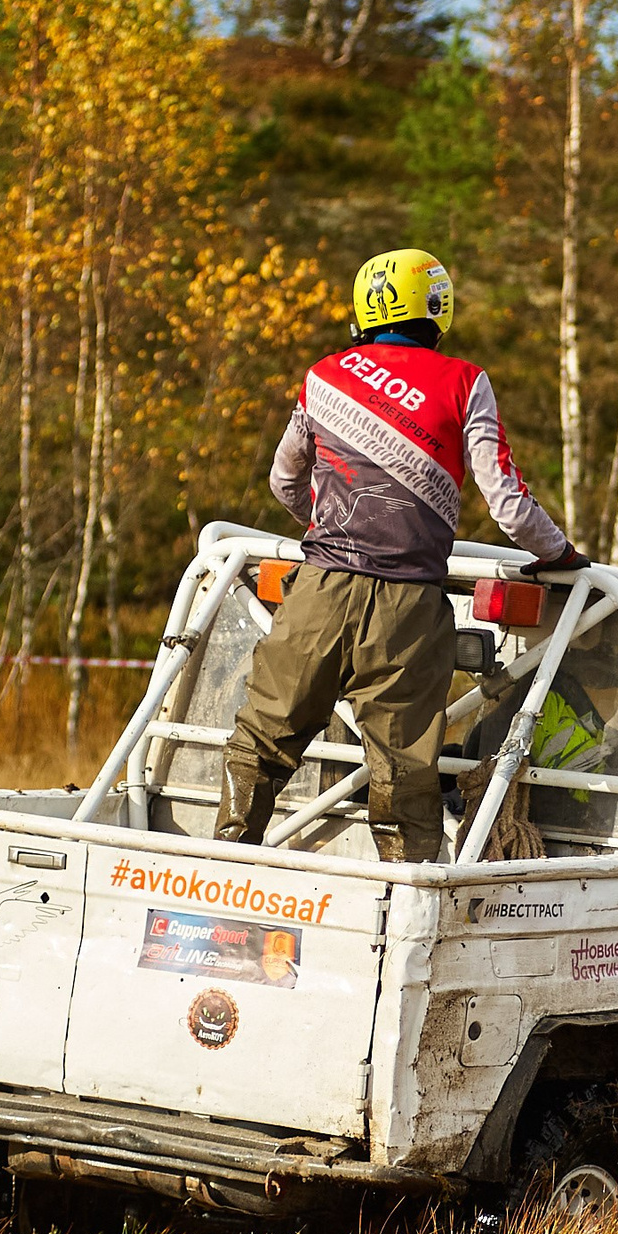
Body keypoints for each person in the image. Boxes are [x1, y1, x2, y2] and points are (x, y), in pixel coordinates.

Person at [216, 248, 588, 862]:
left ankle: (225, 865)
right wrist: (561, 553)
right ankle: (403, 897)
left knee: (261, 739)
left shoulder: (323, 376)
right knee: (403, 770)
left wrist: (335, 525)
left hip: (320, 586)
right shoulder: (467, 382)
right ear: (436, 307)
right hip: (409, 605)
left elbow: (285, 482)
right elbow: (508, 504)